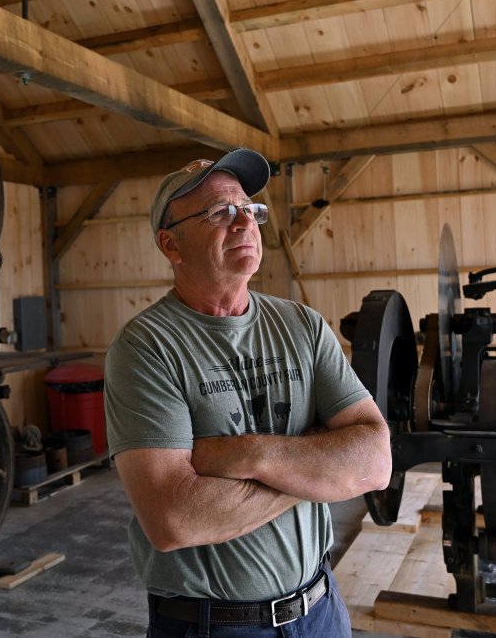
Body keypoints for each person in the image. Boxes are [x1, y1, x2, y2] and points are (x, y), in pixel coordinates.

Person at [104, 147, 392, 637]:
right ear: (171, 245)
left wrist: (249, 454)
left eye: (249, 208)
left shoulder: (302, 325)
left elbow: (376, 461)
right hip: (216, 626)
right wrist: (314, 460)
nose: (244, 223)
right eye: (219, 212)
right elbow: (174, 518)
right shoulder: (145, 348)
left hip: (321, 611)